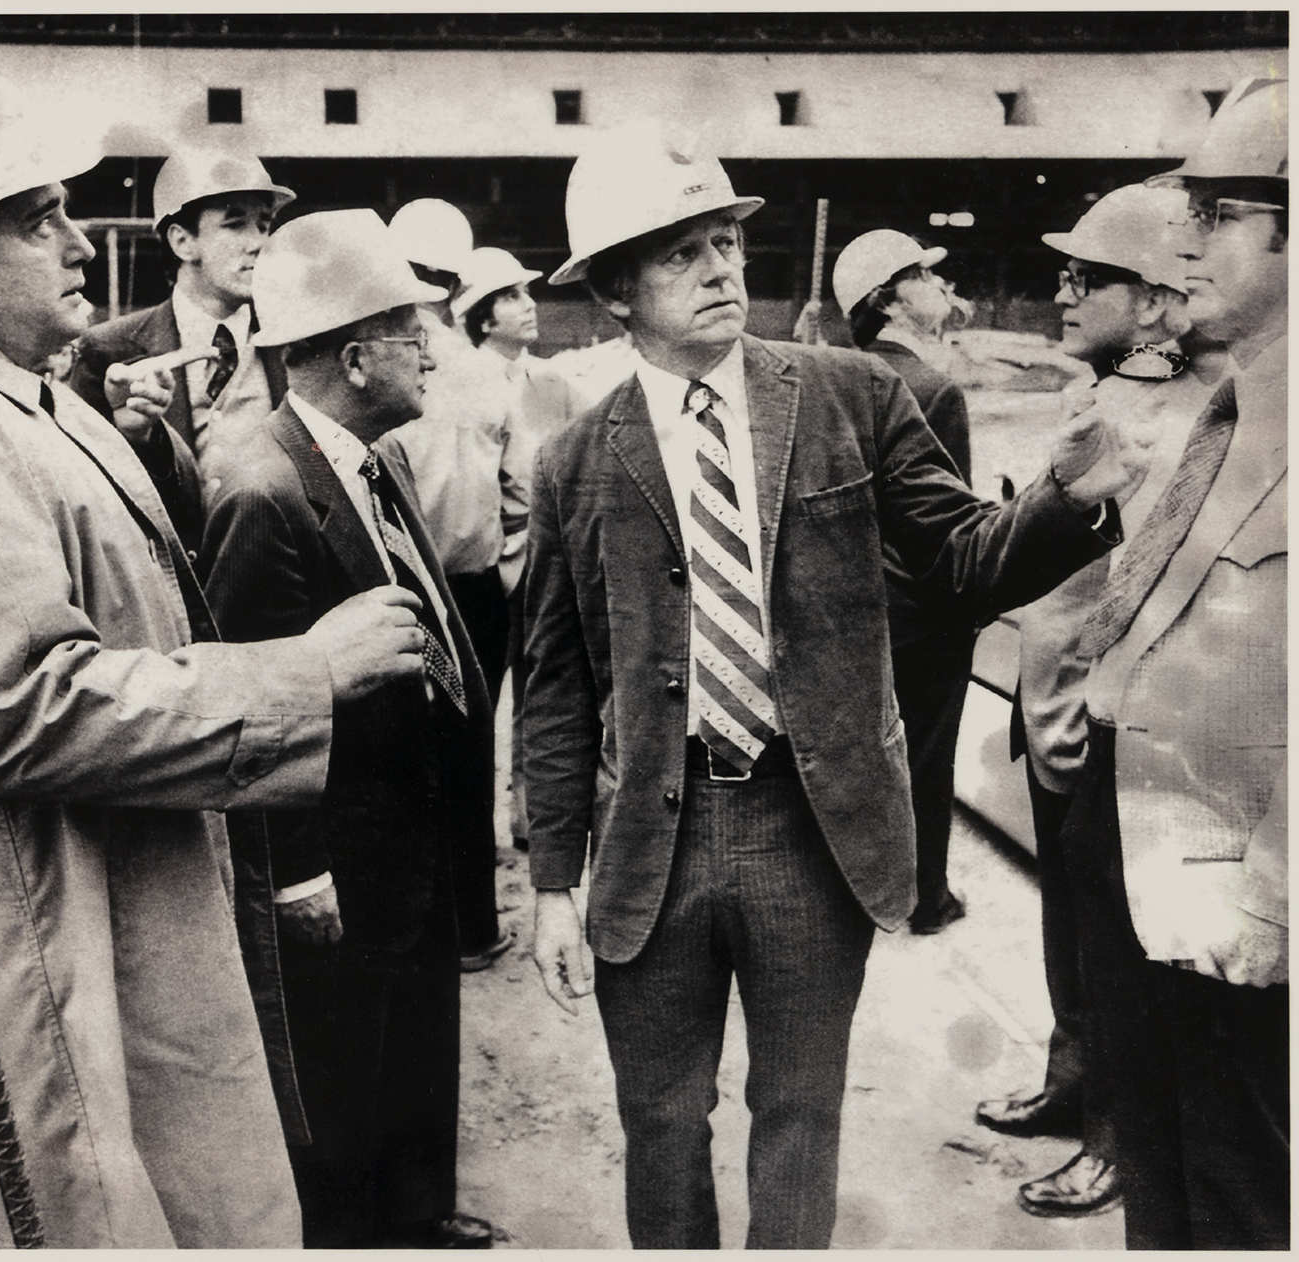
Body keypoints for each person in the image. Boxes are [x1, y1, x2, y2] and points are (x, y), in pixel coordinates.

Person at [0, 55, 425, 1248]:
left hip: (123, 903)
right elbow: (24, 704)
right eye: (39, 223)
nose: (83, 245)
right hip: (51, 942)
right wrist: (308, 671)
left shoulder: (21, 393)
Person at [523, 122, 1148, 1249]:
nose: (722, 269)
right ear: (613, 291)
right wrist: (552, 878)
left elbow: (962, 558)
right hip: (644, 844)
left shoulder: (850, 395)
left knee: (799, 1113)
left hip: (806, 829)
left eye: (725, 241)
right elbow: (560, 684)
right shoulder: (572, 459)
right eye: (680, 253)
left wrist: (1065, 494)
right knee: (660, 1121)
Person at [198, 208, 495, 1249]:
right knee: (342, 1066)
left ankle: (416, 1214)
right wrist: (292, 870)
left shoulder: (378, 461)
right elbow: (252, 699)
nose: (431, 348)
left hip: (405, 830)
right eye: (414, 328)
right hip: (339, 849)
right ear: (357, 356)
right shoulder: (263, 491)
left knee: (412, 1034)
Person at [1064, 77, 1287, 1249]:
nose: (1181, 241)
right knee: (1161, 1174)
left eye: (1215, 213)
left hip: (1246, 910)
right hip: (1153, 867)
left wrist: (1276, 901)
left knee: (1245, 1194)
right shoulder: (1238, 400)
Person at [974, 182, 1223, 1220]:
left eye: (1089, 278)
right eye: (1064, 273)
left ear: (1159, 294)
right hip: (1051, 704)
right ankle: (1071, 1080)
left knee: (1117, 947)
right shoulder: (1111, 390)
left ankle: (1111, 1136)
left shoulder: (1193, 406)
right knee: (1067, 924)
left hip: (1114, 724)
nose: (1063, 292)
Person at [381, 199, 515, 968]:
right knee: (473, 754)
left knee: (410, 758)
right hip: (480, 594)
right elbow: (518, 486)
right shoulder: (486, 370)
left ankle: (424, 929)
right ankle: (475, 925)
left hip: (411, 593)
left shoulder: (397, 359)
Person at [835, 229, 975, 934]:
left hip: (856, 606)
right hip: (925, 611)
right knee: (926, 753)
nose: (941, 286)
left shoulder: (842, 379)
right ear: (889, 300)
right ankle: (925, 898)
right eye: (923, 275)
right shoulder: (931, 388)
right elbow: (951, 531)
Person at [70, 144, 296, 549]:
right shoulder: (109, 350)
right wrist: (137, 439)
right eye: (235, 224)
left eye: (263, 224)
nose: (259, 242)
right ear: (182, 242)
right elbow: (84, 496)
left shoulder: (294, 340)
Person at [448, 246, 582, 853]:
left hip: (544, 563)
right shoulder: (454, 376)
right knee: (478, 703)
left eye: (526, 294)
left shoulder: (553, 381)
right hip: (479, 569)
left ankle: (536, 818)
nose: (527, 307)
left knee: (544, 690)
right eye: (509, 296)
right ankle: (473, 838)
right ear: (479, 313)